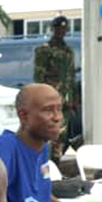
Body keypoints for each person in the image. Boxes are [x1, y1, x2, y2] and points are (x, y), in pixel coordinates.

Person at [0, 84, 82, 202]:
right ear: (24, 116)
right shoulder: (5, 147)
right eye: (48, 110)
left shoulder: (43, 147)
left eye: (59, 109)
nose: (57, 117)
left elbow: (38, 192)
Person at [34, 15, 77, 163]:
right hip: (50, 98)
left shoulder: (68, 51)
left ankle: (56, 161)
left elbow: (71, 76)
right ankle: (47, 161)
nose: (62, 31)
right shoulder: (44, 50)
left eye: (64, 29)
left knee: (62, 134)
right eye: (59, 28)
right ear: (54, 29)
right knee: (49, 131)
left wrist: (74, 98)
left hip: (65, 99)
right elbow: (39, 75)